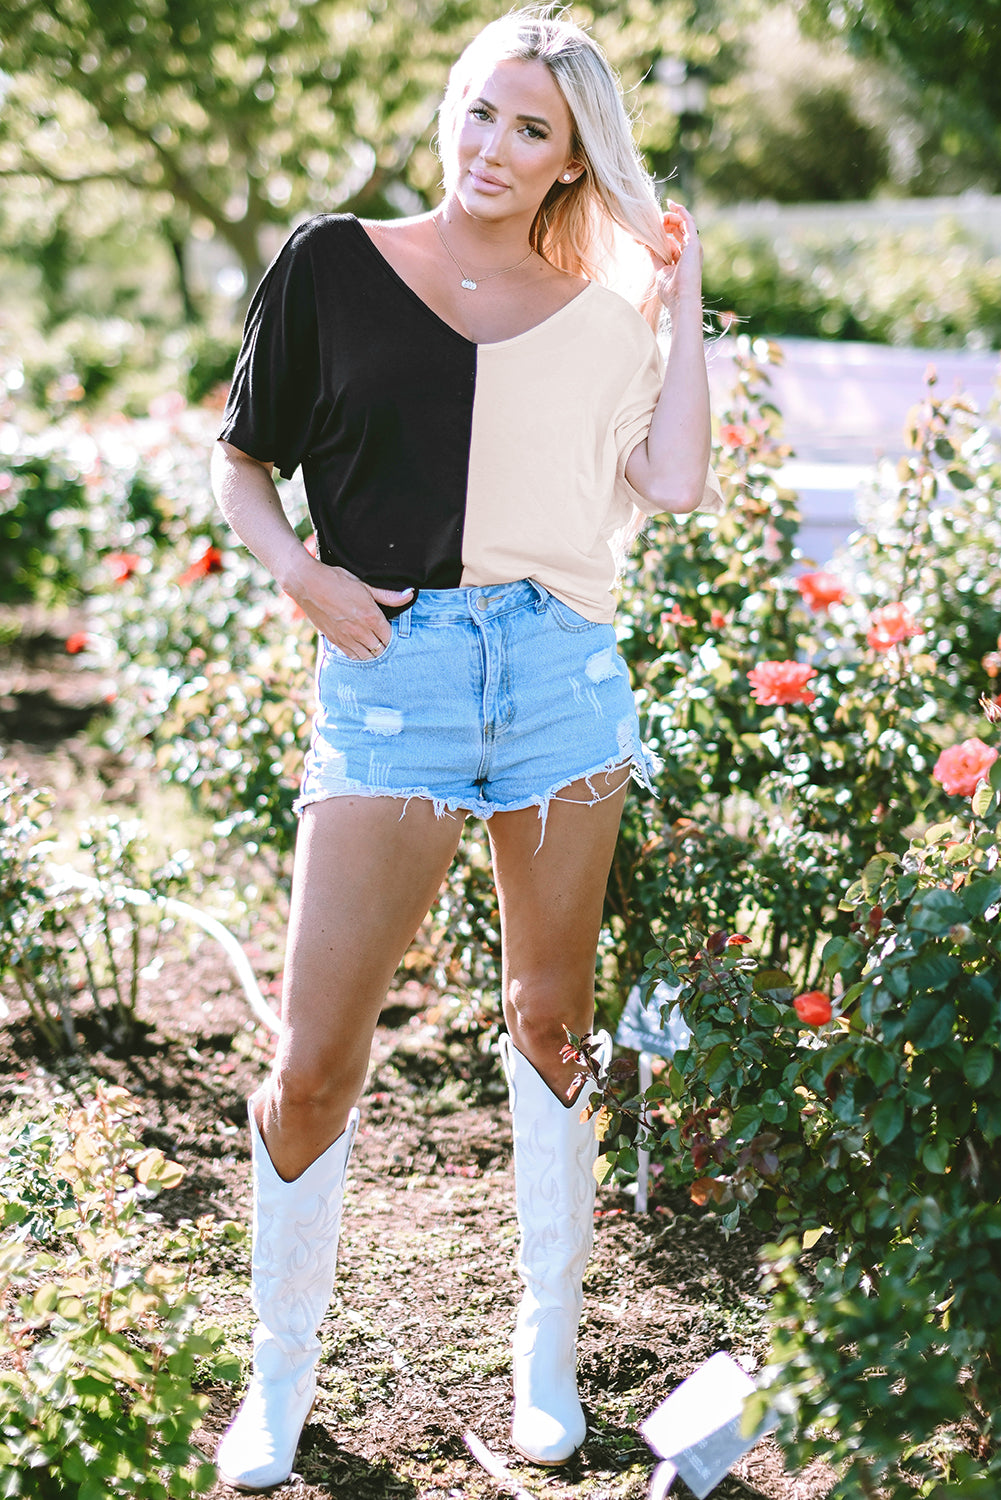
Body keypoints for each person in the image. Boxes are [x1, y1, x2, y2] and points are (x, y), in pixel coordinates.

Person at [211, 7, 722, 1491]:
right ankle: (278, 1382)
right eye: (481, 113)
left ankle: (542, 1359)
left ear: (572, 164)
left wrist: (680, 300)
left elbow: (675, 480)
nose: (492, 149)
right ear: (450, 109)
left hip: (560, 678)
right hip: (394, 677)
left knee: (551, 1022)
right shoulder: (333, 263)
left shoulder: (601, 308)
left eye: (534, 132)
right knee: (313, 1058)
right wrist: (297, 573)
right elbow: (242, 458)